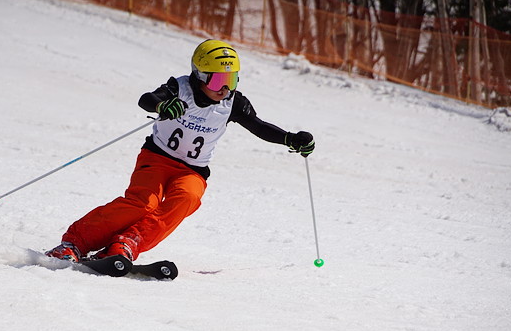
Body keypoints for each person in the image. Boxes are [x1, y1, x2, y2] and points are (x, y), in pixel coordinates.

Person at [45, 39, 314, 262]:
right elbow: (147, 100)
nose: (224, 88)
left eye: (231, 80)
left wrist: (290, 139)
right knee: (143, 204)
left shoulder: (233, 103)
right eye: (218, 79)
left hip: (193, 170)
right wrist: (162, 106)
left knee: (187, 198)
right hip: (157, 159)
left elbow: (258, 126)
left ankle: (127, 243)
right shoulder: (180, 88)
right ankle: (75, 242)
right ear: (200, 75)